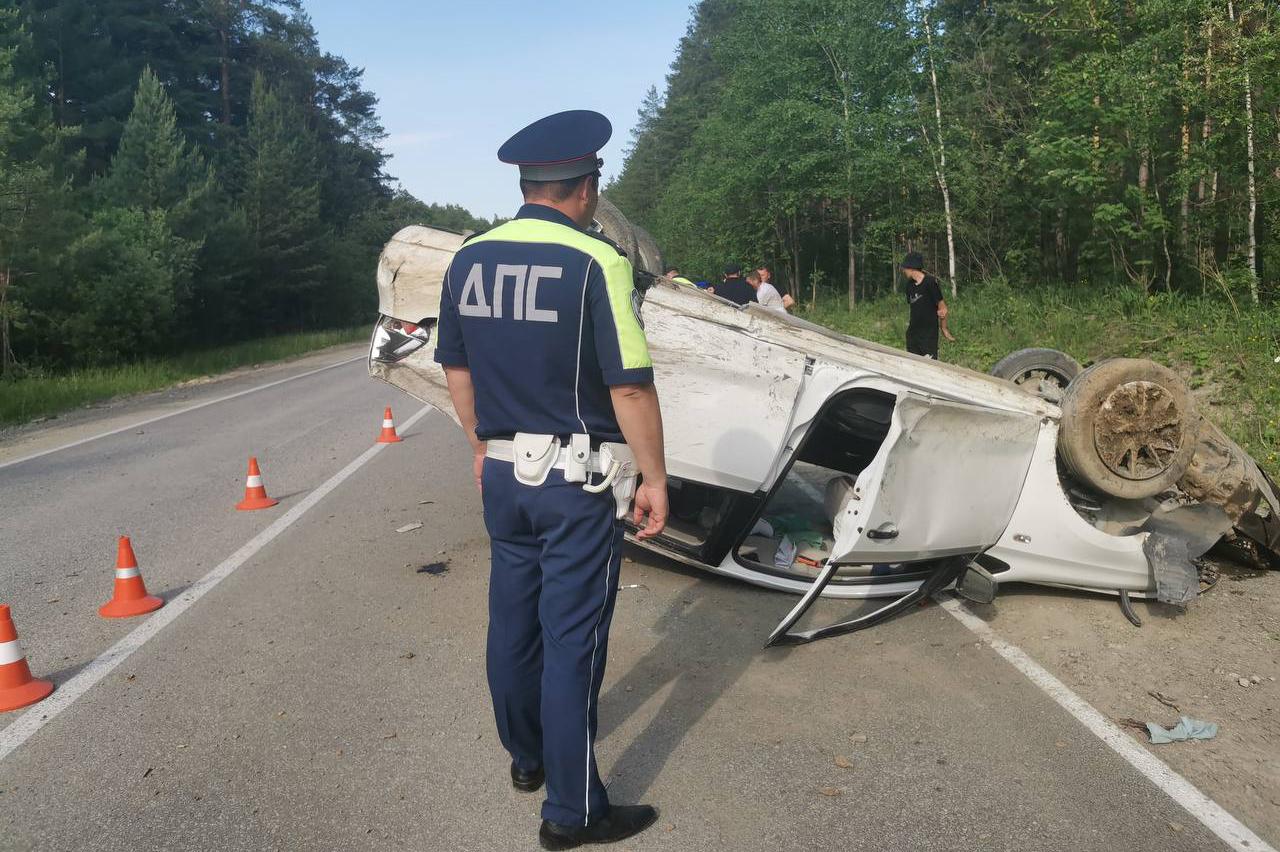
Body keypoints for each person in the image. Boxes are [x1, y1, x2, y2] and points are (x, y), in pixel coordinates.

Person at [433, 109, 668, 850]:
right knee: (572, 644)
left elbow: (456, 366)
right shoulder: (598, 261)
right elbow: (629, 387)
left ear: (528, 184)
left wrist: (478, 444)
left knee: (512, 624)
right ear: (586, 187)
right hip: (573, 485)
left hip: (502, 475)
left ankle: (527, 757)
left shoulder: (469, 258)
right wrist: (655, 478)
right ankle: (573, 813)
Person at [900, 251, 955, 359]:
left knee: (930, 367)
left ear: (912, 267)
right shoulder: (909, 286)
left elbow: (943, 308)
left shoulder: (930, 283)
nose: (903, 270)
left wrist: (944, 328)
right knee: (914, 367)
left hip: (928, 336)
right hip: (913, 335)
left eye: (905, 267)